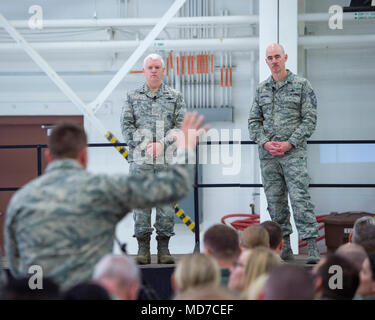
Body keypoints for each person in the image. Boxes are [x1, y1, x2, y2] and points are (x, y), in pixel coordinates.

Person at [4, 113, 207, 290]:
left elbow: (14, 262)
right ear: (84, 156)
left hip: (37, 294)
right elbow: (175, 186)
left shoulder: (21, 200)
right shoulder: (103, 189)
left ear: (48, 156)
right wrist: (185, 146)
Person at [248, 43, 320, 264]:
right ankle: (284, 245)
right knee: (275, 202)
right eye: (270, 57)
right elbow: (253, 122)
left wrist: (290, 143)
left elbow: (310, 119)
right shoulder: (261, 89)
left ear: (285, 57)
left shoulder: (301, 86)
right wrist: (265, 143)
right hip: (269, 157)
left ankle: (312, 248)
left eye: (277, 56)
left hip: (293, 155)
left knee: (300, 199)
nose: (274, 61)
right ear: (266, 61)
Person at [121, 53, 187, 265]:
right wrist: (144, 146)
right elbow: (126, 126)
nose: (154, 70)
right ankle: (143, 249)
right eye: (150, 67)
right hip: (141, 161)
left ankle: (164, 248)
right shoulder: (132, 96)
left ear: (163, 70)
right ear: (144, 70)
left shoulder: (175, 97)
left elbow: (181, 127)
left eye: (157, 67)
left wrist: (162, 145)